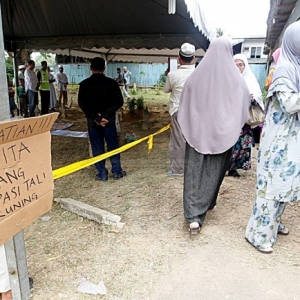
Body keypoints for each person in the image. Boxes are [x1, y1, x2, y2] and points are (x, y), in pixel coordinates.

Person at [178, 37, 250, 234]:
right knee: (213, 172)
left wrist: (193, 121)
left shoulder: (195, 76)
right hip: (222, 133)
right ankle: (205, 205)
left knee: (194, 171)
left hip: (197, 131)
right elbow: (244, 106)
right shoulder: (236, 80)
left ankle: (193, 216)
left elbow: (184, 103)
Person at [245, 21, 300, 254]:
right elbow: (289, 104)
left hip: (289, 140)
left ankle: (272, 224)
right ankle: (257, 234)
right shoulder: (284, 69)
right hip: (278, 143)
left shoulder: (294, 67)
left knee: (284, 184)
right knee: (271, 187)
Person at [78, 57, 126, 181]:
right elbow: (119, 101)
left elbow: (82, 104)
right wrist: (105, 115)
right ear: (104, 68)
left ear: (91, 68)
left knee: (97, 147)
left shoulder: (84, 85)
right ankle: (116, 171)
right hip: (109, 121)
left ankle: (102, 173)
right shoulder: (112, 83)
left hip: (93, 122)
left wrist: (96, 117)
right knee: (113, 146)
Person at [227, 54, 264, 177]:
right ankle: (225, 167)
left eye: (240, 65)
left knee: (241, 144)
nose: (238, 67)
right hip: (229, 118)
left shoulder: (250, 79)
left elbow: (257, 95)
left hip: (245, 119)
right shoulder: (227, 78)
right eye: (235, 65)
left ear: (245, 66)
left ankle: (234, 167)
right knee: (229, 143)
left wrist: (252, 97)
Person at [163, 42, 195, 176]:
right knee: (194, 139)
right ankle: (194, 167)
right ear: (194, 58)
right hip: (195, 110)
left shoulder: (173, 75)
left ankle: (178, 169)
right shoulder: (198, 73)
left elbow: (166, 90)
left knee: (178, 139)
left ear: (179, 58)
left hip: (178, 109)